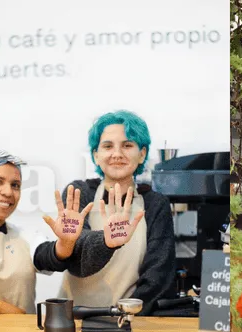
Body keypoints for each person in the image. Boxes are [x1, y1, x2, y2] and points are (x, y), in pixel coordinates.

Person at [34, 110, 176, 315]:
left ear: (142, 154)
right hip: (75, 319)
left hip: (130, 321)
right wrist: (106, 242)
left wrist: (128, 315)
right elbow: (77, 262)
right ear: (95, 155)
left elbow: (158, 276)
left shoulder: (155, 204)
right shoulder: (79, 193)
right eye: (107, 146)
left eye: (127, 145)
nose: (117, 154)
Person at [0, 150, 75, 314]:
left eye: (15, 185)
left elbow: (47, 256)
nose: (8, 192)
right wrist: (0, 308)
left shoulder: (26, 236)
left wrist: (65, 243)